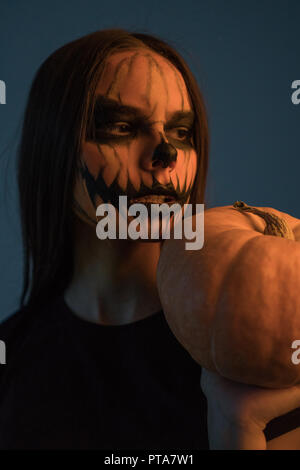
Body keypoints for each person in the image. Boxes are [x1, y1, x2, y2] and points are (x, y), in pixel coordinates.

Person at [0, 29, 299, 450]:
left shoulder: (253, 346)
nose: (165, 155)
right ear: (53, 147)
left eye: (181, 131)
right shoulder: (12, 356)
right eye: (121, 126)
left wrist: (240, 432)